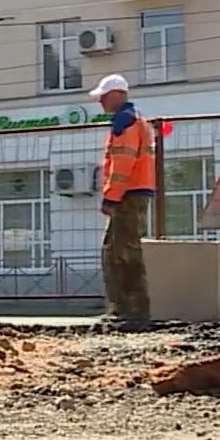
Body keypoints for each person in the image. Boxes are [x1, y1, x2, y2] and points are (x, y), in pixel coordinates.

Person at [91, 74, 155, 325]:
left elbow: (122, 163)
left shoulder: (125, 122)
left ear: (116, 94)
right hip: (136, 191)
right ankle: (127, 309)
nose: (101, 103)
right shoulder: (137, 119)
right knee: (121, 250)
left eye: (103, 97)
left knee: (120, 253)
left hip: (128, 194)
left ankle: (128, 311)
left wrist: (111, 197)